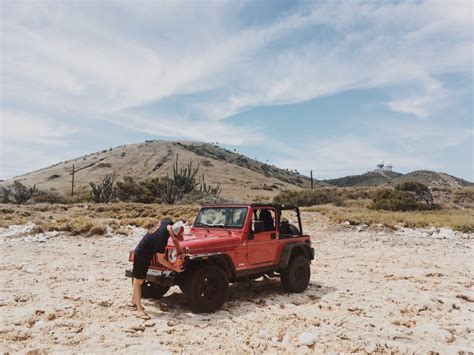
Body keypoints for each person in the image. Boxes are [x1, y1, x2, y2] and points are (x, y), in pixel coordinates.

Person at [130, 219, 185, 319]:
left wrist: (179, 251)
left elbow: (175, 239)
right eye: (175, 235)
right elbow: (161, 260)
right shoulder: (162, 239)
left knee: (139, 280)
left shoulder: (168, 223)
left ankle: (134, 301)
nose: (174, 237)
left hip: (144, 251)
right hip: (142, 255)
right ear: (172, 231)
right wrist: (175, 268)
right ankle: (139, 310)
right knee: (138, 282)